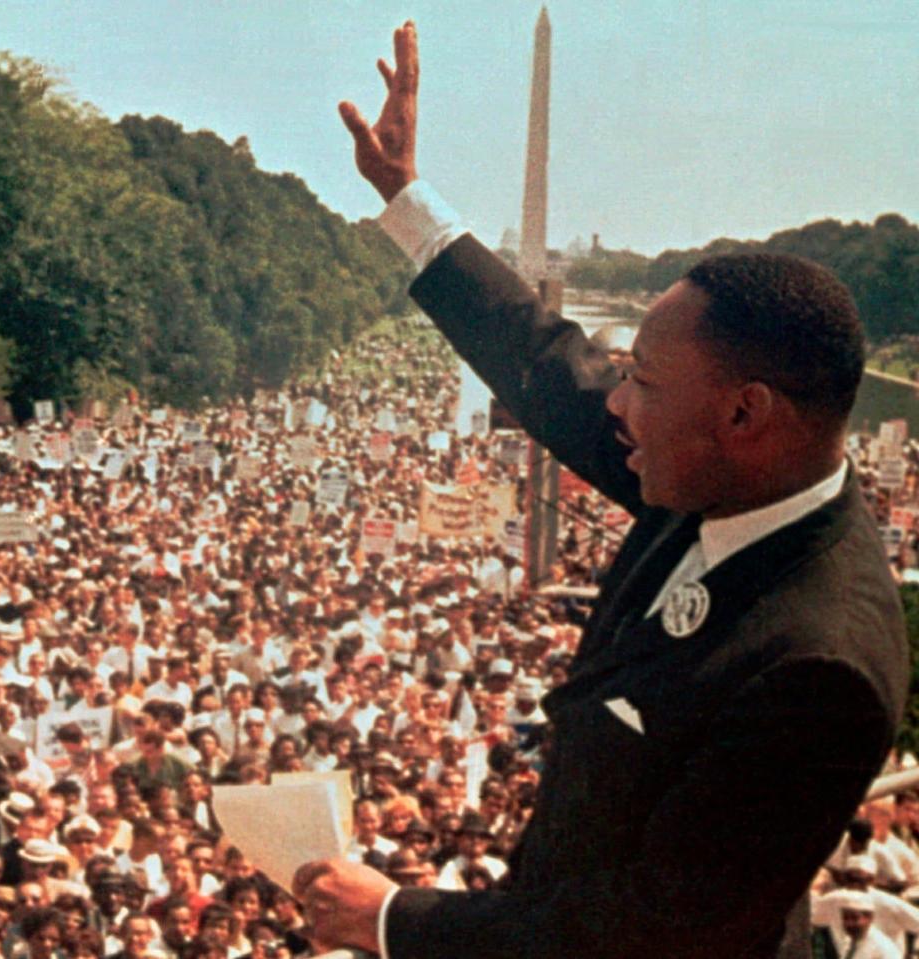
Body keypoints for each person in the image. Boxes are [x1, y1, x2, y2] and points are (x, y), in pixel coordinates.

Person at [292, 20, 910, 959]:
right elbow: (546, 362)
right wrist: (408, 200)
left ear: (745, 415)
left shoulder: (818, 668)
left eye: (643, 384)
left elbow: (648, 936)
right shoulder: (728, 474)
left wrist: (391, 919)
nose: (613, 403)